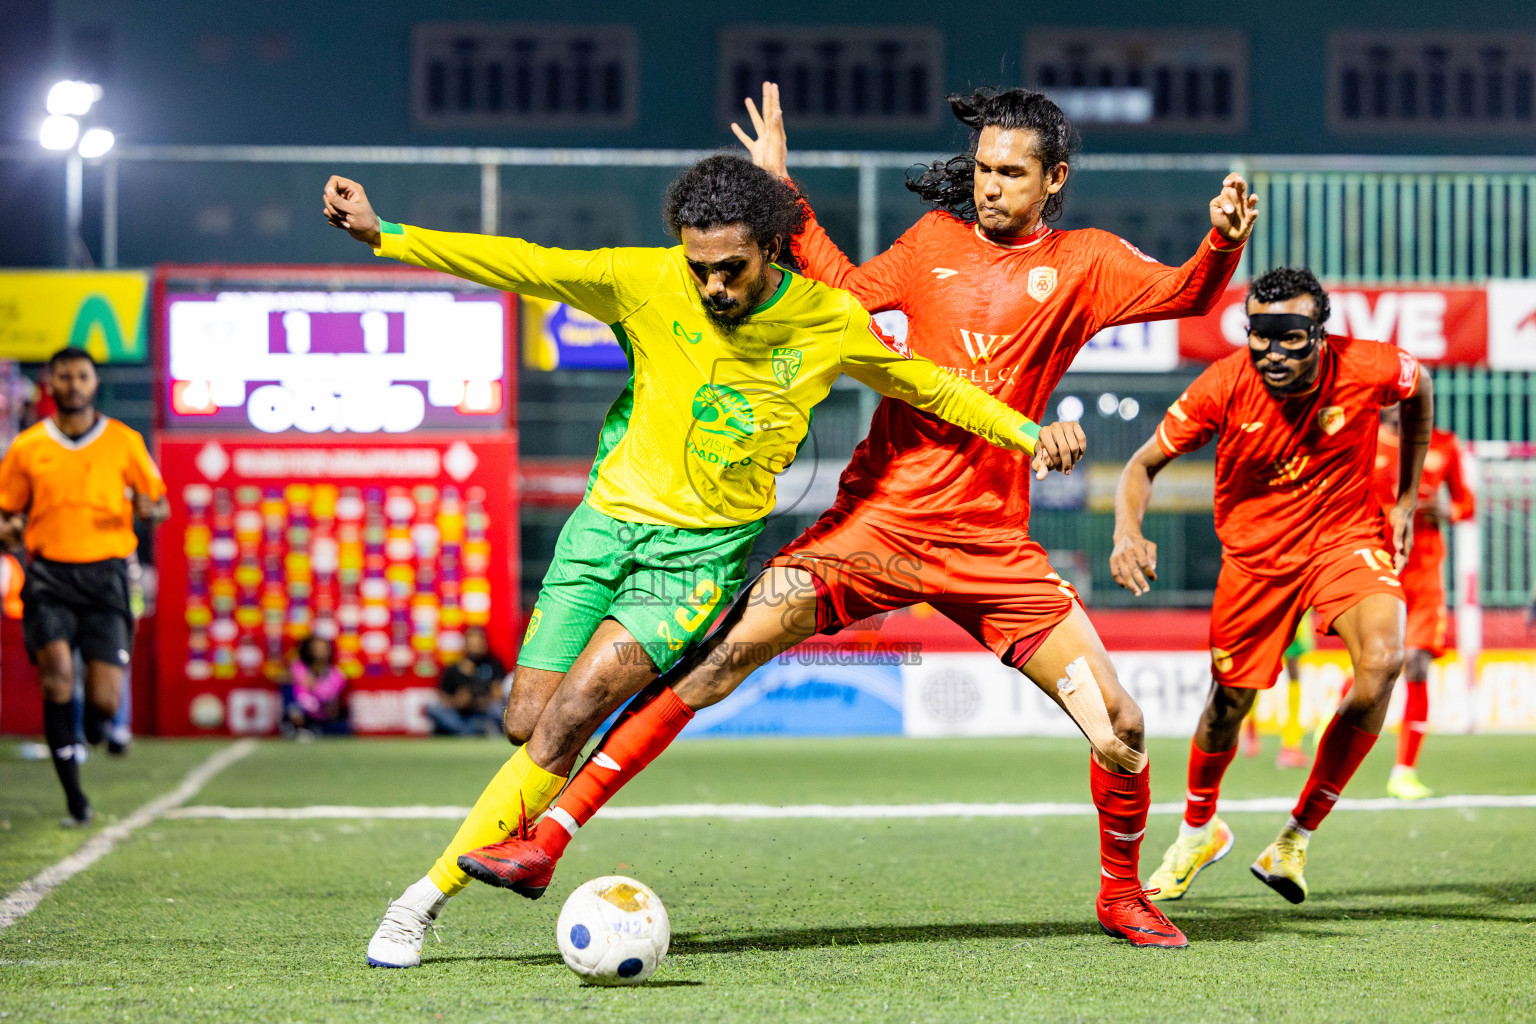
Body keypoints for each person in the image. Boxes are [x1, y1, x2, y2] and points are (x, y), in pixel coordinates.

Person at [460, 83, 1257, 950]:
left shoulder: (1089, 261)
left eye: (1010, 173)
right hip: (875, 524)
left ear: (1054, 178)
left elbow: (1187, 295)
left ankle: (1120, 895)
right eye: (983, 169)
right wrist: (783, 192)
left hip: (991, 543)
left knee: (1126, 726)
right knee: (721, 659)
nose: (988, 186)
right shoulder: (932, 244)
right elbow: (842, 289)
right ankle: (547, 840)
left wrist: (1221, 242)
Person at [327, 154, 1063, 969]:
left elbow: (932, 386)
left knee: (572, 715)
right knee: (527, 722)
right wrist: (384, 235)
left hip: (696, 558)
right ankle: (538, 809)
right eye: (699, 268)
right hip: (602, 528)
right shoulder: (644, 280)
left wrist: (1032, 434)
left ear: (772, 249)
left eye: (731, 270)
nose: (712, 286)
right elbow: (524, 263)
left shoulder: (828, 320)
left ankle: (419, 902)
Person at [1114, 267, 1431, 905]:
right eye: (1259, 333)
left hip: (1346, 540)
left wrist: (1405, 499)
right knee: (1227, 707)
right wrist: (1127, 531)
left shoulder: (1368, 366)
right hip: (1256, 559)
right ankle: (1199, 830)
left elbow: (1419, 386)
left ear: (1320, 332)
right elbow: (1142, 464)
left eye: (1289, 335)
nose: (1272, 350)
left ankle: (1294, 837)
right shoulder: (1224, 384)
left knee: (1383, 663)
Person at [0, 346, 168, 826]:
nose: (73, 384)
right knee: (56, 676)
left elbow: (158, 503)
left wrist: (147, 509)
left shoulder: (124, 441)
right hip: (49, 574)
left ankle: (93, 730)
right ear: (49, 384)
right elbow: (6, 511)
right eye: (63, 376)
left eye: (82, 376)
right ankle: (75, 798)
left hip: (107, 576)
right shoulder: (28, 446)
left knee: (104, 701)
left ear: (95, 384)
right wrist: (8, 529)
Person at [1371, 408, 1474, 799]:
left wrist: (1450, 510)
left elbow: (1467, 503)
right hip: (1379, 565)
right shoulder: (1366, 439)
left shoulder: (1445, 444)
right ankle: (1341, 710)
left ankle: (1404, 771)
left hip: (1426, 573)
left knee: (1416, 663)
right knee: (1377, 663)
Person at [1239, 609, 1313, 768]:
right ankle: (1252, 725)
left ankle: (1290, 743)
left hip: (1289, 612)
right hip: (1275, 609)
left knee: (1290, 673)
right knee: (1261, 670)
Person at [427, 626, 507, 736]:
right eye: (472, 642)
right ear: (465, 643)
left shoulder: (493, 664)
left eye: (478, 642)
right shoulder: (453, 668)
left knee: (497, 709)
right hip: (459, 714)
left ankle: (468, 731)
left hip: (483, 712)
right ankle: (469, 731)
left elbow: (498, 695)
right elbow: (442, 696)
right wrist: (457, 701)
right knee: (435, 710)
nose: (475, 646)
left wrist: (478, 701)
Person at [281, 634, 351, 737]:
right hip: (302, 712)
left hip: (322, 713)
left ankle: (313, 730)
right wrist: (303, 679)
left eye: (324, 648)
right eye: (317, 648)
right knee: (289, 691)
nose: (321, 651)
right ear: (309, 650)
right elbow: (289, 686)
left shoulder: (336, 674)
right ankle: (296, 727)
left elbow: (335, 702)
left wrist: (332, 706)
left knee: (342, 728)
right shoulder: (298, 668)